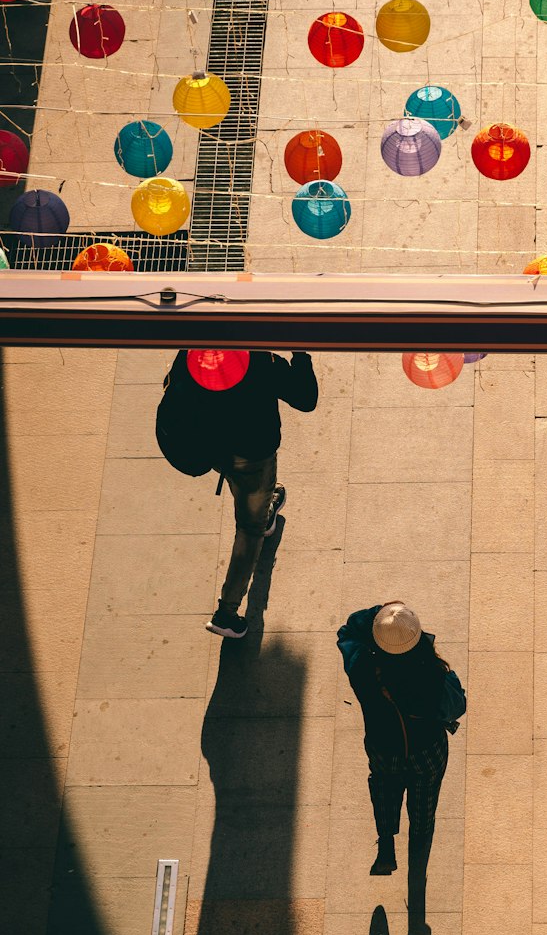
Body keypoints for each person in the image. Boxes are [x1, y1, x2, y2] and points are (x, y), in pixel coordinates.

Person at [156, 347, 318, 639]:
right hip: (254, 460)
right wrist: (301, 354)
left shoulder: (189, 361)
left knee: (241, 489)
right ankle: (226, 613)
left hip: (212, 453)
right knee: (249, 529)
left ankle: (263, 511)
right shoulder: (260, 362)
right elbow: (306, 399)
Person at [337, 601, 467, 876]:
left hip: (384, 748)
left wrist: (382, 616)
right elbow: (458, 704)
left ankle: (386, 846)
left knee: (384, 791)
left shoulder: (363, 668)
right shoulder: (430, 672)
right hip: (427, 752)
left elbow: (347, 631)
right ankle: (417, 859)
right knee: (424, 804)